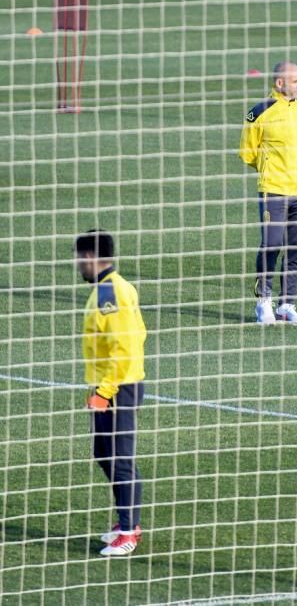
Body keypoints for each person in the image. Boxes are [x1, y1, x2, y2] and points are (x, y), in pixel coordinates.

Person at [75, 229, 147, 556]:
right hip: (112, 384)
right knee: (103, 453)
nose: (77, 264)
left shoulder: (109, 293)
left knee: (119, 459)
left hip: (118, 387)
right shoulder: (114, 286)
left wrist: (104, 392)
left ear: (90, 257)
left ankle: (129, 532)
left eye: (79, 258)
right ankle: (125, 520)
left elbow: (126, 346)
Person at [239, 61, 297, 325]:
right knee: (272, 245)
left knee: (295, 248)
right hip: (273, 190)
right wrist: (270, 169)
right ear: (279, 83)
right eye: (295, 81)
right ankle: (264, 302)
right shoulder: (260, 112)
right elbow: (248, 153)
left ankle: (287, 304)